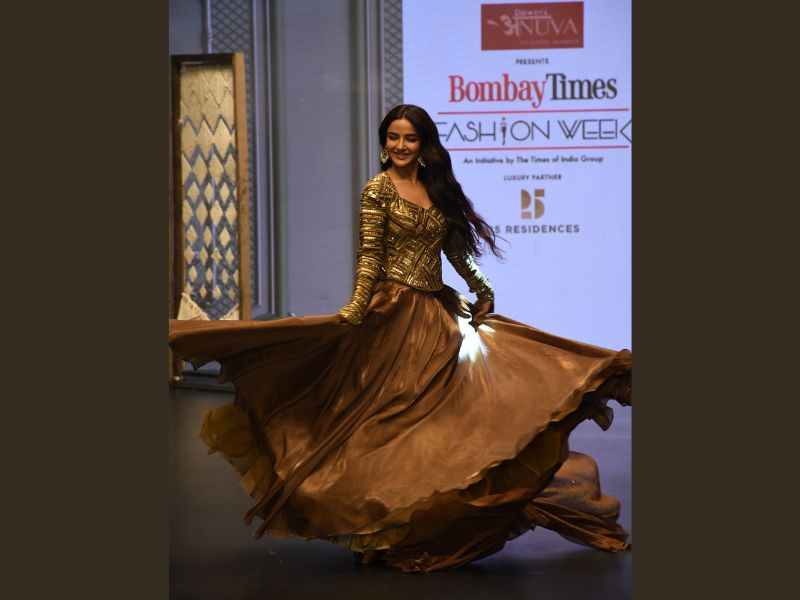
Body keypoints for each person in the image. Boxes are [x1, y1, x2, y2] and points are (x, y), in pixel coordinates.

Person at [169, 104, 632, 574]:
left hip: (438, 317)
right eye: (393, 137)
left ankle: (411, 525)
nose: (400, 145)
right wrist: (355, 309)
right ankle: (379, 528)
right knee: (386, 428)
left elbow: (454, 251)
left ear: (424, 143)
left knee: (442, 426)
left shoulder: (437, 188)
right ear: (384, 142)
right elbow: (370, 255)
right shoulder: (378, 189)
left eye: (409, 138)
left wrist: (483, 289)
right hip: (391, 315)